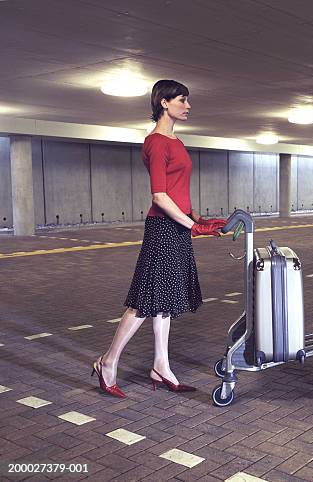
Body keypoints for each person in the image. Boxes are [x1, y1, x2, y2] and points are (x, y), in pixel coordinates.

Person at [91, 79, 226, 398]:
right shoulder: (155, 142)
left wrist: (198, 220)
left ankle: (160, 366)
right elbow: (160, 196)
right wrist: (193, 228)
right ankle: (107, 362)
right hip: (163, 229)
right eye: (182, 99)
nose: (188, 106)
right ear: (163, 103)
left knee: (163, 302)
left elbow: (179, 193)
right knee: (144, 301)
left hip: (177, 227)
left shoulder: (176, 142)